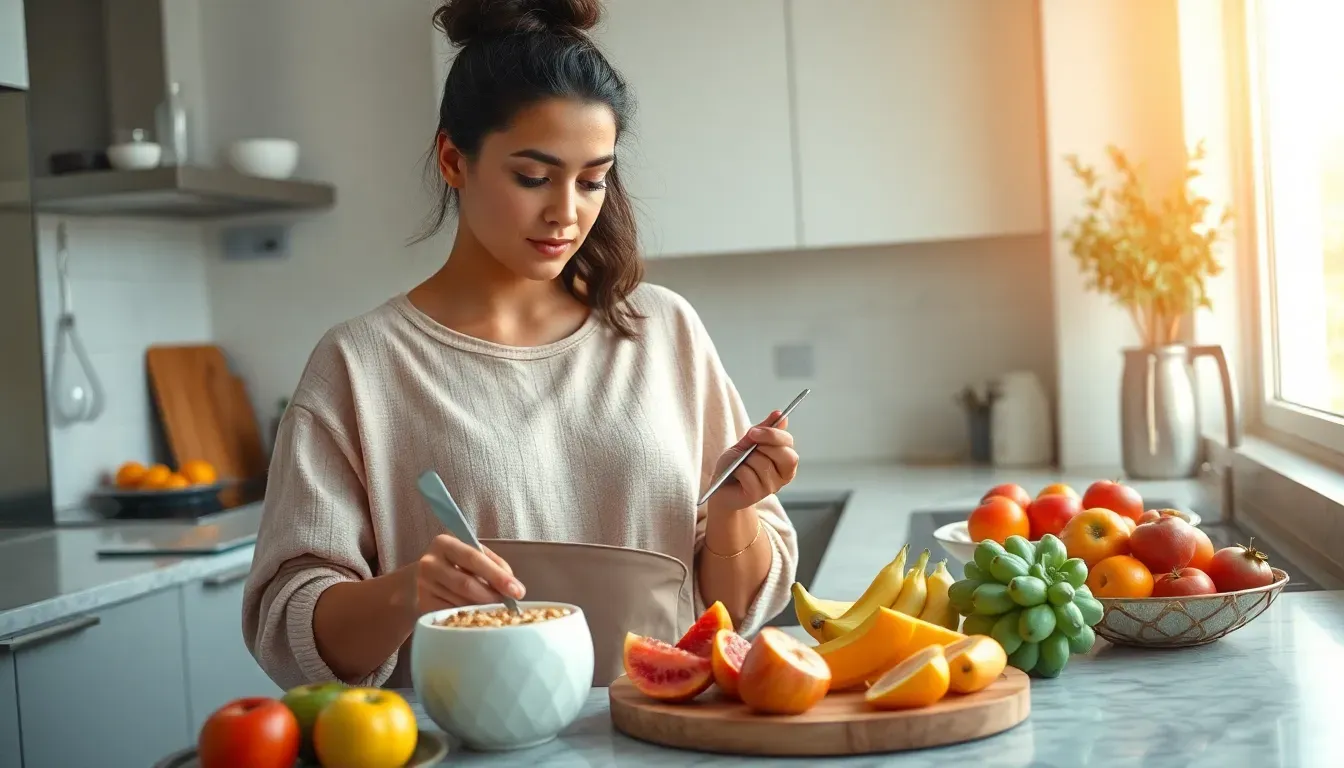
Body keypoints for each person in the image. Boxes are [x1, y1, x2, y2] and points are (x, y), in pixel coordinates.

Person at [242, 0, 801, 691]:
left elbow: (737, 612)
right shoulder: (359, 365)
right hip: (469, 739)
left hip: (664, 733)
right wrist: (408, 593)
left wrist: (734, 513)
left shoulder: (665, 331)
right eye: (533, 177)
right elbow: (287, 630)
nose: (566, 212)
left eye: (592, 181)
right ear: (454, 159)